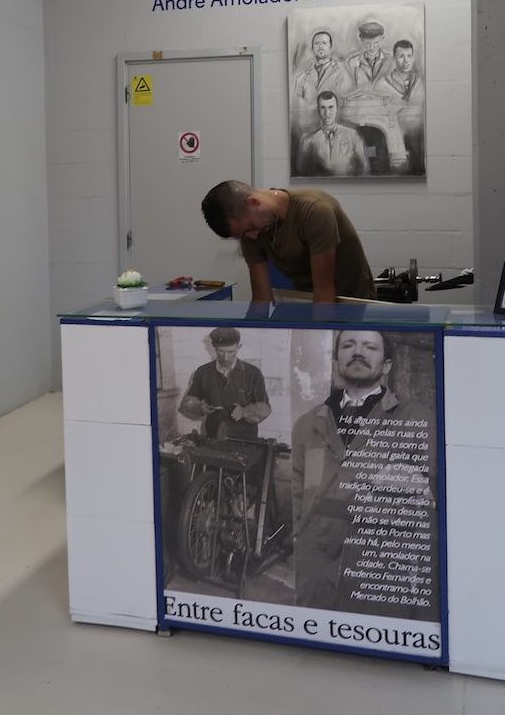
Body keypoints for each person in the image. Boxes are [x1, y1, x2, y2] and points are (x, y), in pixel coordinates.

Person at [291, 330, 437, 618]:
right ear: (336, 361)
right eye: (348, 345)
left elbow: (434, 498)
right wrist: (302, 545)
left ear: (386, 366)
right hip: (316, 577)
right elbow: (298, 494)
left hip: (378, 576)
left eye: (370, 347)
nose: (358, 352)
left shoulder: (416, 418)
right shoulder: (307, 424)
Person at [201, 180, 375, 302]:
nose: (252, 237)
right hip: (307, 300)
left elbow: (324, 292)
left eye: (250, 228)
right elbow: (262, 297)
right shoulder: (249, 232)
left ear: (254, 202)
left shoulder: (314, 210)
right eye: (243, 235)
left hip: (353, 302)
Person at [178, 326, 271, 439]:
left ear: (238, 347)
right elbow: (187, 402)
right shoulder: (203, 372)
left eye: (230, 352)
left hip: (245, 439)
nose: (226, 357)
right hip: (213, 436)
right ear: (214, 348)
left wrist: (245, 411)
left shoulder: (253, 373)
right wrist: (200, 407)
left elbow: (265, 408)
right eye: (221, 351)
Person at [297, 91, 370, 177]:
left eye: (331, 107)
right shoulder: (308, 141)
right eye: (323, 108)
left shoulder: (353, 135)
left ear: (337, 109)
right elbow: (302, 173)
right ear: (318, 110)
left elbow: (365, 167)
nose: (327, 113)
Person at [292, 30, 349, 105]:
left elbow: (345, 100)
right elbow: (295, 102)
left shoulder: (341, 72)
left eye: (324, 43)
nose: (320, 46)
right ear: (312, 48)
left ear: (330, 47)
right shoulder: (302, 77)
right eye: (316, 43)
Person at [346, 20, 389, 90]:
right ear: (361, 40)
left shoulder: (392, 61)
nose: (372, 47)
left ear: (382, 39)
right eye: (367, 43)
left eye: (376, 42)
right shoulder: (352, 63)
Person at [381, 39, 424, 104]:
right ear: (394, 58)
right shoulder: (383, 84)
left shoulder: (419, 83)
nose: (406, 60)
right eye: (401, 56)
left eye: (409, 56)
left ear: (412, 58)